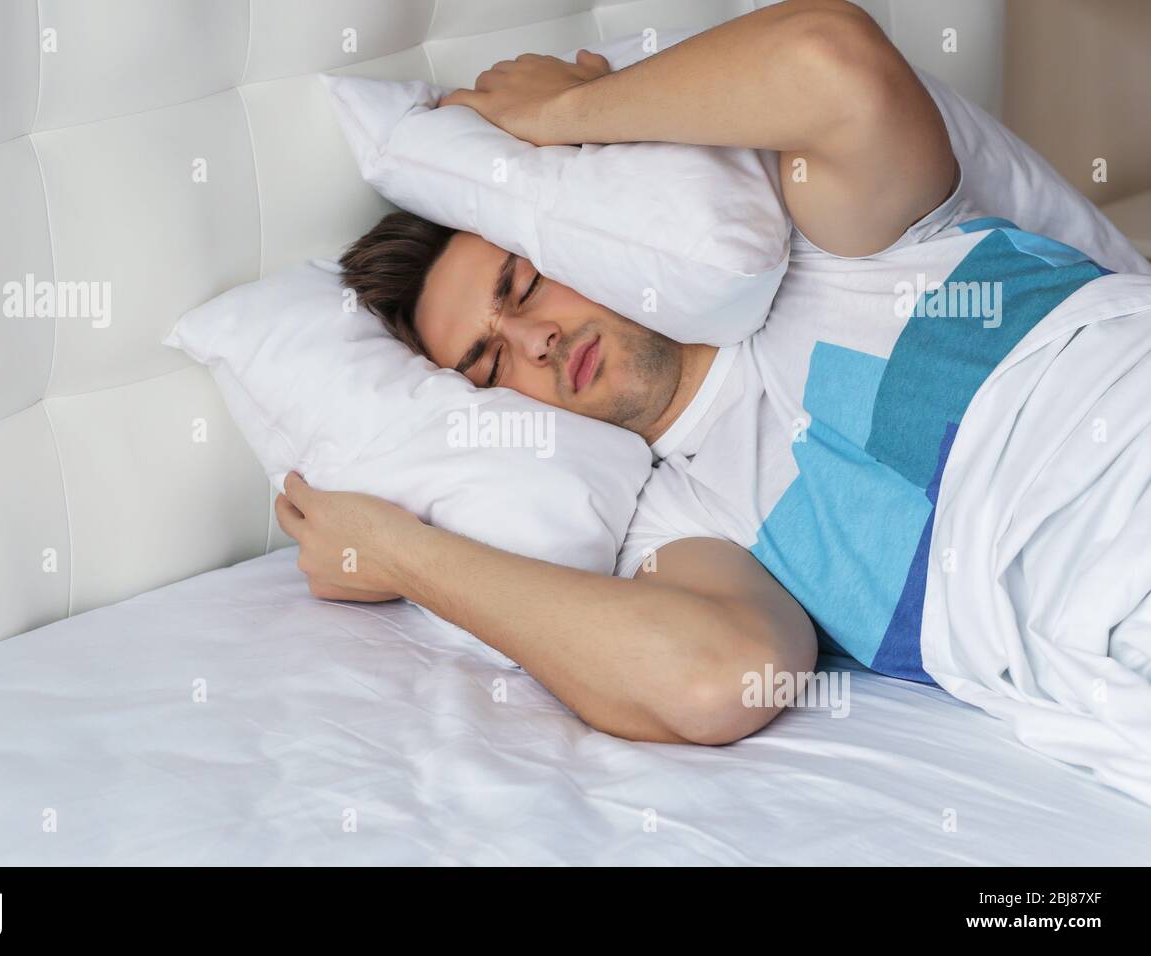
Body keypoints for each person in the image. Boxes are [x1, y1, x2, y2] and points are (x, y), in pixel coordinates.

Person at [274, 0, 979, 745]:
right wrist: (400, 555)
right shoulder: (681, 522)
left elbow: (829, 56)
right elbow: (716, 679)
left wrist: (568, 111)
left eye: (523, 286)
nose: (535, 340)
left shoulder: (847, 250)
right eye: (489, 363)